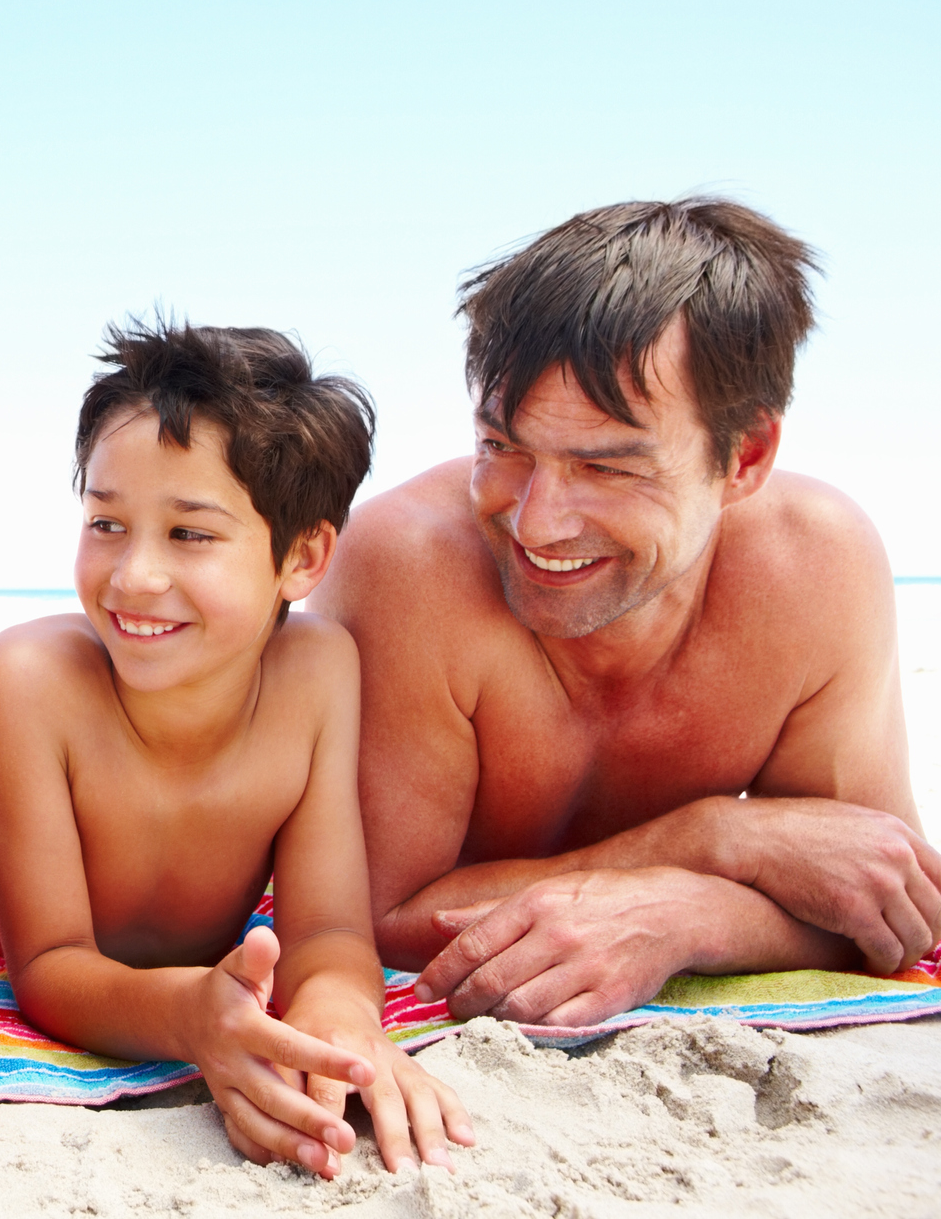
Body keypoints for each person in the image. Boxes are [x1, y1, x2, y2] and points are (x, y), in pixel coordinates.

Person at [312, 197, 941, 1028]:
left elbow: (885, 905)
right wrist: (709, 841)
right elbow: (376, 919)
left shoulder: (811, 568)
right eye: (502, 447)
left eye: (607, 468)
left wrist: (690, 915)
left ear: (743, 458)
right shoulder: (408, 564)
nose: (535, 522)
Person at [0, 319, 473, 1178]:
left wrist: (341, 1028)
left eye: (189, 535)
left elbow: (329, 930)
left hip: (208, 970)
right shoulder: (27, 682)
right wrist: (190, 1016)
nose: (132, 578)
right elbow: (48, 966)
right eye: (105, 523)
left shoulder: (316, 672)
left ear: (301, 557)